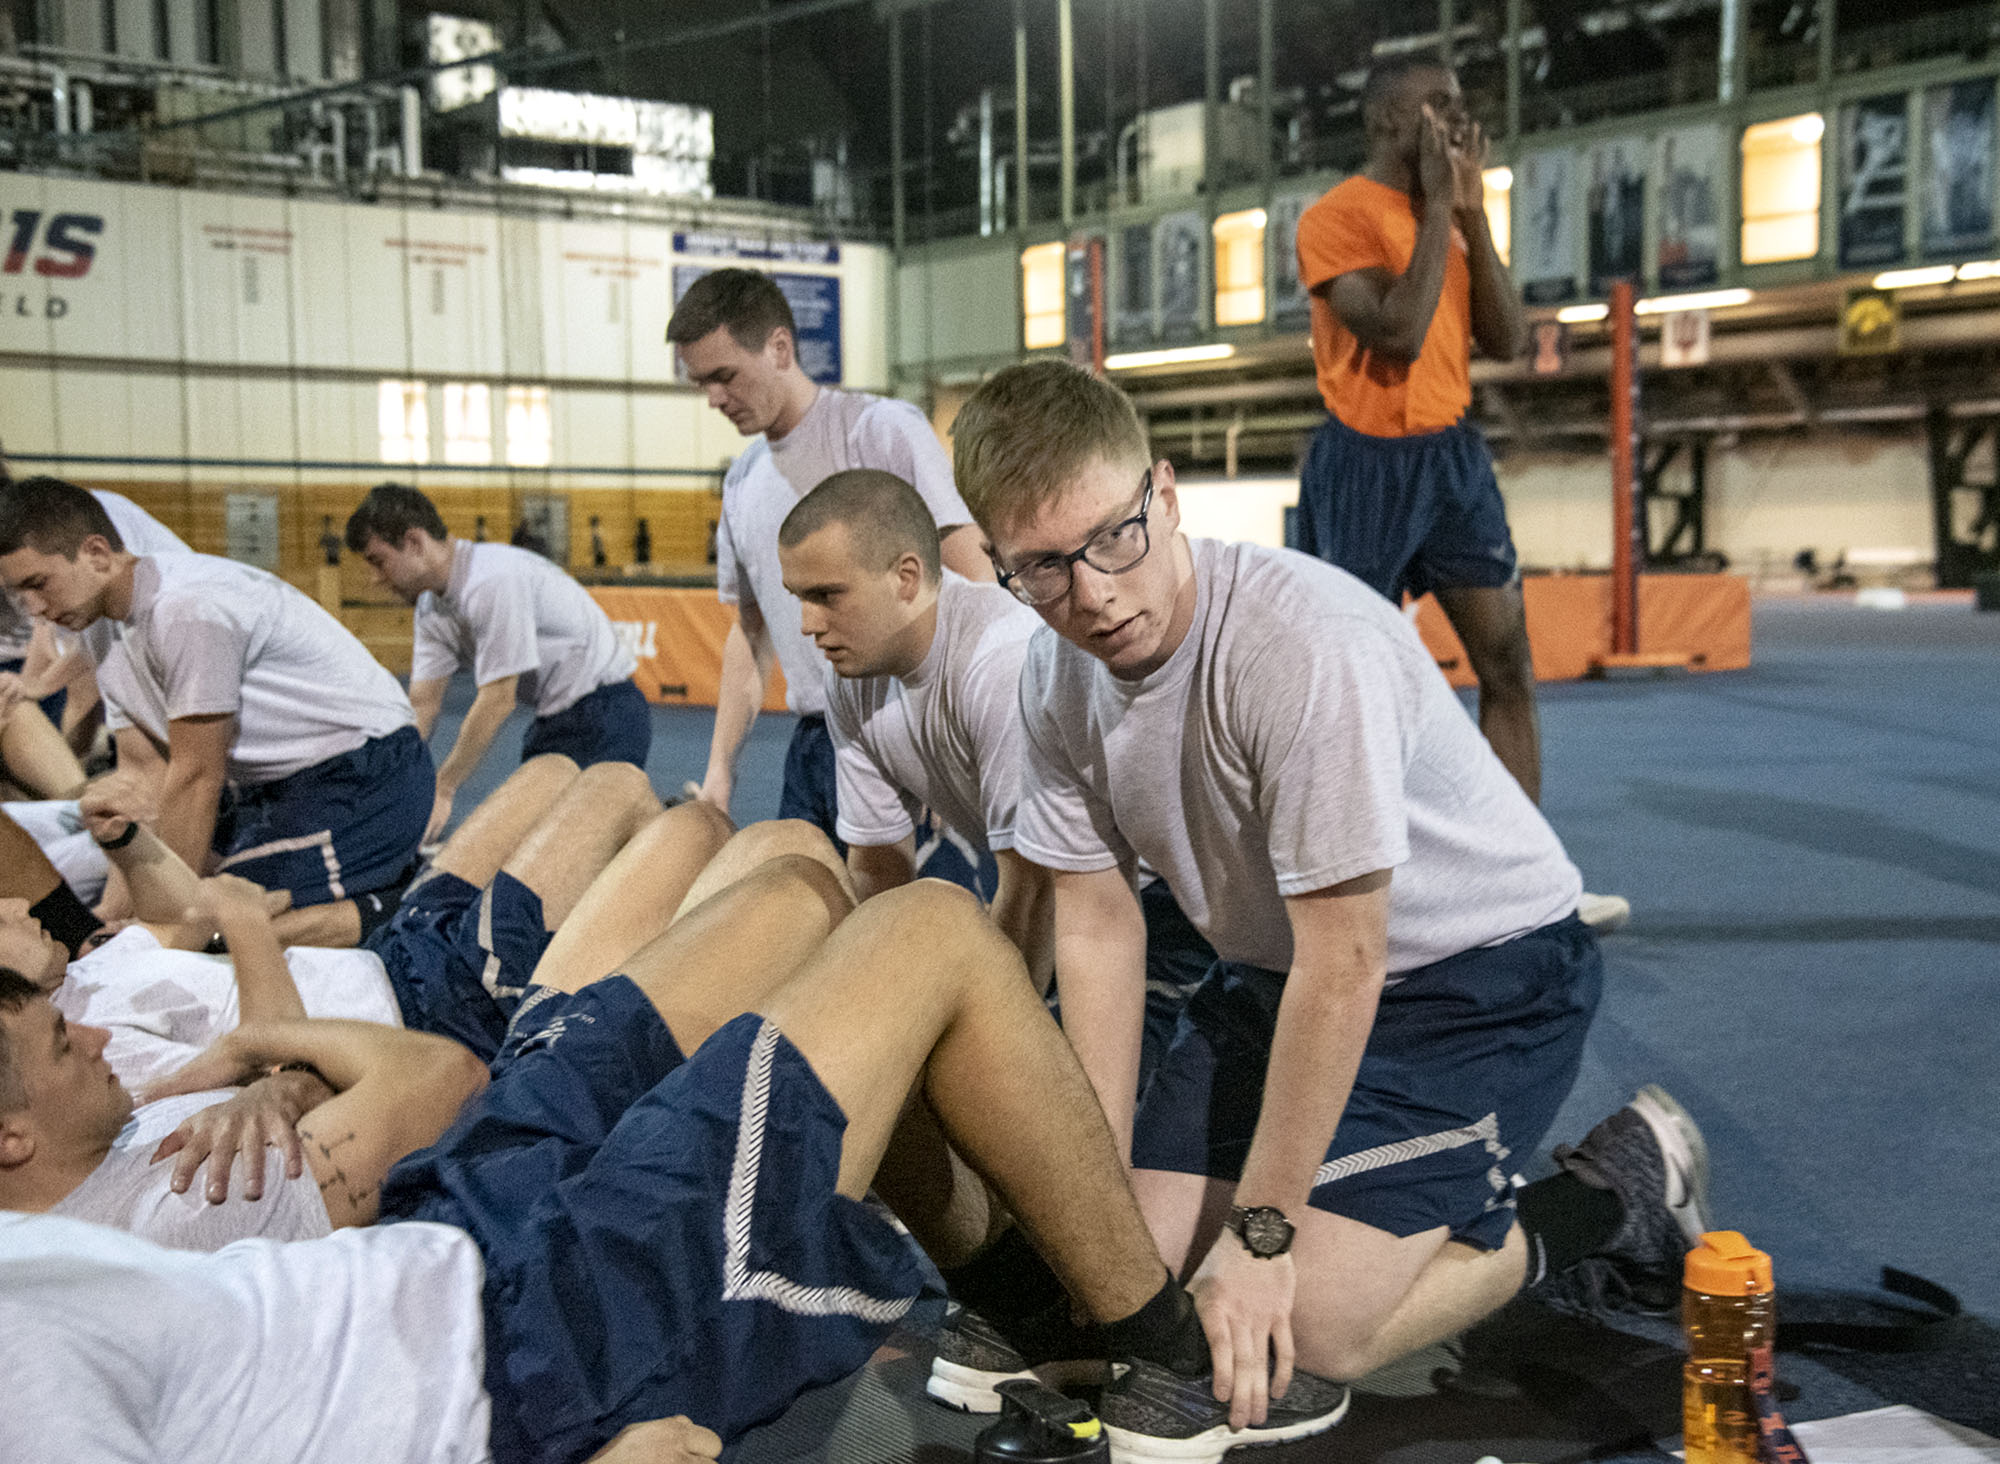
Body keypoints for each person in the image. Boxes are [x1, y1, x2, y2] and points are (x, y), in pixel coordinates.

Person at [0, 842, 1355, 1464]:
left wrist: (274, 1063)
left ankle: (1040, 1325)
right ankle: (1158, 1363)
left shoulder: (77, 1201)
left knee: (789, 889)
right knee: (931, 930)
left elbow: (432, 1084)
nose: (82, 1036)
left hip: (452, 1221)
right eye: (55, 1048)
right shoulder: (28, 1345)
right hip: (522, 1352)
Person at [940, 360, 1707, 1411]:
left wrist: (1262, 1239)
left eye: (1115, 537)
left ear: (1164, 494)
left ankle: (1611, 1189)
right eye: (1041, 569)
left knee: (1316, 1324)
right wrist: (1095, 1187)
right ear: (996, 562)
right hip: (1267, 980)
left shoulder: (1299, 648)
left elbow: (1346, 966)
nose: (1094, 595)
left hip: (1472, 983)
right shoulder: (1050, 677)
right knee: (1129, 1272)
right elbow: (1100, 932)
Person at [1291, 60, 1628, 934]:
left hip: (1451, 461)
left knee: (1507, 663)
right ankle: (1348, 895)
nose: (1459, 115)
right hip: (1363, 463)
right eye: (1438, 102)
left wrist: (1473, 212)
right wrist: (1441, 207)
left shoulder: (1452, 214)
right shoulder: (1334, 219)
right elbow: (1397, 334)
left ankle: (1525, 888)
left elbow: (1511, 337)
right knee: (1349, 691)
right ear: (1387, 118)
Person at [775, 467, 1212, 1081]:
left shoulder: (1000, 662)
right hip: (1064, 909)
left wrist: (956, 1046)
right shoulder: (852, 683)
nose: (805, 625)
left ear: (905, 578)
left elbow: (1034, 890)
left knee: (1009, 1097)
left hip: (1157, 915)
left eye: (825, 596)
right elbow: (877, 872)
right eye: (798, 597)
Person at [667, 267, 991, 845]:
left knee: (903, 930)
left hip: (906, 732)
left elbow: (971, 579)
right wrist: (720, 771)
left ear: (780, 348)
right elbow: (750, 635)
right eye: (702, 385)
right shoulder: (740, 484)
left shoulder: (881, 431)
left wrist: (955, 742)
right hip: (813, 744)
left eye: (724, 376)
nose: (715, 398)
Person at [0, 477, 430, 910]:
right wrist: (108, 919)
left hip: (368, 771)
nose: (34, 608)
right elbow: (140, 781)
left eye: (39, 584)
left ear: (96, 554)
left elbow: (196, 776)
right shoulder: (97, 627)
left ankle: (393, 903)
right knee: (149, 913)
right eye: (21, 593)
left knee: (221, 919)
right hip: (277, 785)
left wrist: (165, 920)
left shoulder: (186, 608)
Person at [345, 482, 652, 845]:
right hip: (556, 720)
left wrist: (443, 788)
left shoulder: (492, 580)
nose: (375, 578)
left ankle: (669, 834)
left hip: (608, 713)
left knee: (571, 846)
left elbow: (498, 700)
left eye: (378, 562)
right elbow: (422, 705)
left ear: (413, 542)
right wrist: (387, 786)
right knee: (534, 840)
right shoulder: (431, 608)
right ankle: (654, 822)